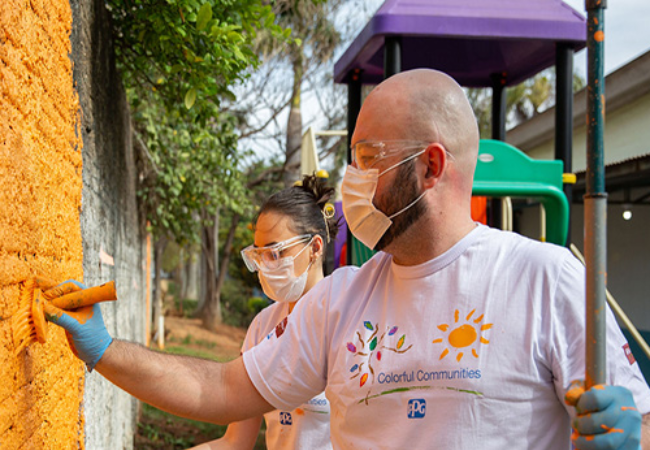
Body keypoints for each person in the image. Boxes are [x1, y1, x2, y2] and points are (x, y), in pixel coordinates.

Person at [43, 69, 650, 449]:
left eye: (366, 157)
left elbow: (640, 425)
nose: (349, 179)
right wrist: (104, 350)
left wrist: (632, 433)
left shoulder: (545, 279)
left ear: (430, 167)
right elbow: (223, 386)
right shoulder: (341, 299)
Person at [191, 174, 337, 449]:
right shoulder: (263, 326)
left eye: (276, 253)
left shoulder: (344, 317)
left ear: (315, 248)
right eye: (259, 255)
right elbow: (236, 441)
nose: (266, 266)